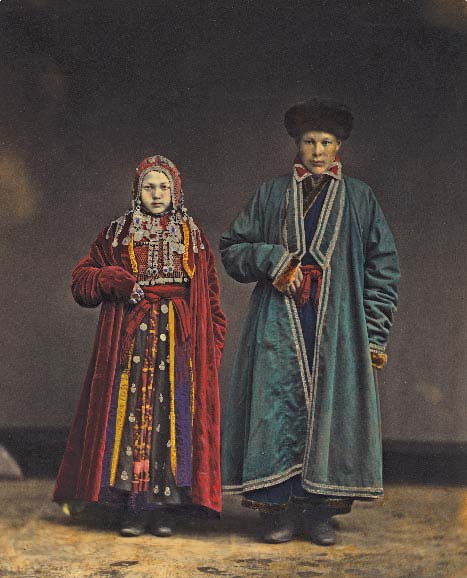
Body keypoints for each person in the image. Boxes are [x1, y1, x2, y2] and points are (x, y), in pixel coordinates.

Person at [220, 99, 400, 545]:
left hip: (338, 325)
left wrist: (373, 333)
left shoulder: (360, 198)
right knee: (276, 411)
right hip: (277, 324)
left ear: (339, 146)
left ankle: (320, 513)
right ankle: (278, 511)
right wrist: (272, 258)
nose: (318, 151)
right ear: (296, 145)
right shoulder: (270, 194)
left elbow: (383, 267)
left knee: (330, 414)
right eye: (309, 142)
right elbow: (232, 249)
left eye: (326, 142)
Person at [54, 155, 227, 537]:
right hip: (130, 343)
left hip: (178, 346)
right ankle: (132, 508)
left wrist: (210, 348)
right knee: (131, 418)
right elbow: (81, 279)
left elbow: (211, 297)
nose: (157, 194)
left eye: (164, 187)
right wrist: (111, 279)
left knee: (171, 420)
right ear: (137, 190)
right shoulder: (118, 233)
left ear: (175, 191)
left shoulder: (193, 235)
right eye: (149, 187)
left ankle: (164, 509)